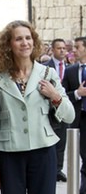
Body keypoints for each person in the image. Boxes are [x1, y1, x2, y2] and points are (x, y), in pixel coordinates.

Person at [0, 20, 74, 194]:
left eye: (28, 38)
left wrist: (54, 96)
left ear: (34, 41)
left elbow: (70, 116)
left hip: (43, 151)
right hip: (9, 154)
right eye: (18, 39)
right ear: (8, 45)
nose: (25, 43)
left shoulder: (48, 74)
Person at [43, 38, 69, 182]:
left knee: (62, 141)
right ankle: (51, 169)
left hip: (64, 109)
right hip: (50, 111)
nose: (62, 51)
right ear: (52, 50)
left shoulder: (71, 67)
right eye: (59, 48)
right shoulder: (45, 68)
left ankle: (58, 169)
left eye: (64, 48)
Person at [62, 36, 86, 194]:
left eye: (77, 47)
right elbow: (62, 96)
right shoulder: (70, 71)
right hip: (80, 121)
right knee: (84, 157)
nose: (73, 51)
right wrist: (77, 93)